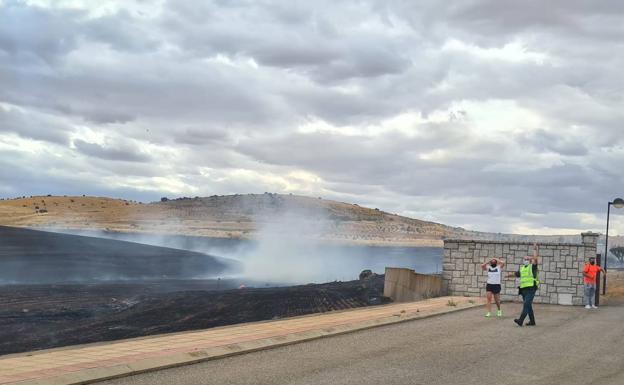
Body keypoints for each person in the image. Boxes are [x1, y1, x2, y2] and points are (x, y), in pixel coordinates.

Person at [507, 243, 539, 327]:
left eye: (527, 259)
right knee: (528, 305)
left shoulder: (532, 267)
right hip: (523, 290)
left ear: (529, 260)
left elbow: (535, 259)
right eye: (524, 259)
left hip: (531, 288)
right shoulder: (522, 268)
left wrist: (535, 249)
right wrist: (508, 275)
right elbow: (516, 274)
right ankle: (532, 321)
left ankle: (520, 320)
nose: (526, 260)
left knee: (526, 304)